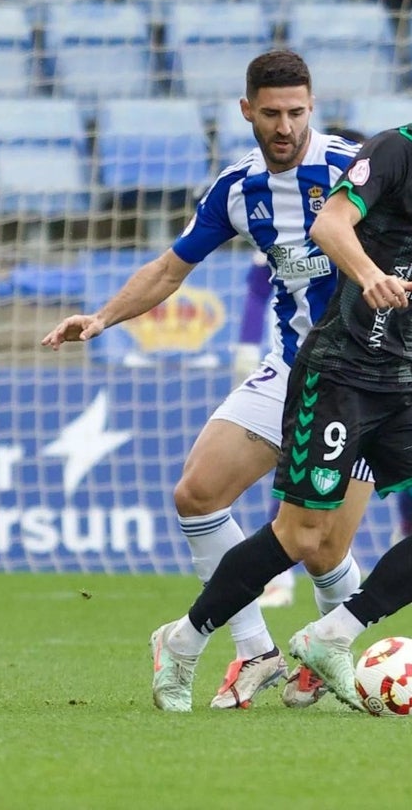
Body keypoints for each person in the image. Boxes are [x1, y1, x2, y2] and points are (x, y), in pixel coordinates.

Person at [148, 48, 412, 712]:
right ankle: (184, 641)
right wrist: (368, 274)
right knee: (302, 537)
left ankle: (332, 636)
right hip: (339, 368)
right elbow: (330, 223)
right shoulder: (398, 152)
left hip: (405, 375)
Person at [43, 50, 372, 711]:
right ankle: (256, 651)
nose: (285, 126)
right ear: (247, 110)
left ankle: (326, 652)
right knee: (196, 493)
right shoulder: (236, 189)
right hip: (291, 366)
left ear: (314, 107)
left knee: (322, 549)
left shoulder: (352, 168)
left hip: (368, 375)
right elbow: (170, 269)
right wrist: (104, 317)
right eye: (272, 113)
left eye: (298, 112)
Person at [237, 210, 412, 610]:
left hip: (398, 359)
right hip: (321, 362)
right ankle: (281, 576)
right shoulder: (298, 221)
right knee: (301, 462)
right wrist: (244, 347)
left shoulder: (394, 223)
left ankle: (408, 534)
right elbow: (258, 287)